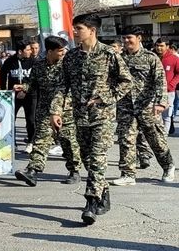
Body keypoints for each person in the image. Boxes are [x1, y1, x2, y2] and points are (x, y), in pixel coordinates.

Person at [50, 13, 133, 225]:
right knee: (88, 159)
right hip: (79, 117)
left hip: (102, 117)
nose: (75, 32)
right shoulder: (71, 57)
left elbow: (126, 81)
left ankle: (91, 202)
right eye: (75, 28)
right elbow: (62, 86)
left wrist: (104, 97)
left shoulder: (109, 54)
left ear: (92, 30)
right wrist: (56, 111)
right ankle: (102, 192)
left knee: (97, 158)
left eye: (78, 28)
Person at [111, 27, 175, 186]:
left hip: (147, 106)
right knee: (126, 139)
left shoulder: (151, 58)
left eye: (129, 38)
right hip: (126, 106)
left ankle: (168, 166)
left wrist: (160, 102)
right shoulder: (118, 59)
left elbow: (160, 81)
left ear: (139, 38)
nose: (126, 41)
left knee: (156, 140)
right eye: (124, 38)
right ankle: (127, 174)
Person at [14, 36, 81, 186]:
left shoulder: (68, 66)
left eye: (64, 50)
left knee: (68, 141)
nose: (63, 53)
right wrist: (23, 88)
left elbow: (72, 88)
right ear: (50, 51)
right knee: (41, 140)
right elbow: (32, 83)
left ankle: (74, 171)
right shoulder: (39, 66)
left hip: (66, 110)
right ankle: (32, 171)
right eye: (60, 51)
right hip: (44, 109)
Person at [0, 40, 36, 152]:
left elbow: (36, 79)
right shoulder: (10, 61)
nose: (31, 51)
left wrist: (25, 88)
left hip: (30, 94)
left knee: (31, 120)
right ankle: (12, 142)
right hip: (13, 95)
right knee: (11, 119)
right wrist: (5, 91)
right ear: (20, 51)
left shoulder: (34, 61)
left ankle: (31, 142)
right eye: (28, 49)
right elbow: (2, 76)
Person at [154, 37, 179, 135]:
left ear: (167, 46)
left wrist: (171, 84)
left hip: (168, 92)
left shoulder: (174, 59)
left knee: (167, 115)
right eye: (157, 45)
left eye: (161, 46)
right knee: (154, 114)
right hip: (153, 91)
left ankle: (164, 134)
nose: (159, 48)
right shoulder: (152, 57)